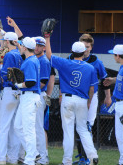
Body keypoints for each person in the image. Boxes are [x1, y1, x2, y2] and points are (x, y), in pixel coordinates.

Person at [44, 35, 99, 165]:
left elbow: (49, 55)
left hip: (68, 99)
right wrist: (89, 101)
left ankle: (67, 161)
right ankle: (93, 157)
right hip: (82, 100)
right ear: (83, 52)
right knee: (83, 130)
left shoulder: (65, 63)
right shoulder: (90, 67)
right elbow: (92, 88)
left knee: (68, 131)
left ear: (71, 51)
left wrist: (47, 38)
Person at [72, 34, 111, 164]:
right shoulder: (71, 58)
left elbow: (105, 81)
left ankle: (88, 157)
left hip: (91, 96)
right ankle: (82, 157)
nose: (85, 49)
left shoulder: (96, 61)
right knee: (78, 127)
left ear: (91, 47)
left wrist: (108, 97)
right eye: (83, 46)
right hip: (76, 96)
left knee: (87, 126)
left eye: (87, 47)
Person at [0, 32, 23, 165]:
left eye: (5, 41)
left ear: (8, 42)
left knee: (4, 126)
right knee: (15, 127)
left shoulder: (9, 55)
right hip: (20, 92)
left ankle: (1, 158)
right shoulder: (21, 54)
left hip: (9, 92)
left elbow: (4, 76)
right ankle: (13, 158)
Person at [14, 37, 41, 165]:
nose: (20, 47)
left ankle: (30, 160)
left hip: (30, 96)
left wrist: (18, 85)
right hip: (28, 97)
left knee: (28, 129)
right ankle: (34, 153)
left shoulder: (30, 62)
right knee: (17, 126)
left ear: (25, 47)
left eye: (21, 46)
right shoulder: (31, 59)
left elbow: (31, 82)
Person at [33, 37, 51, 165]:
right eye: (36, 45)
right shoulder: (35, 59)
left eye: (39, 45)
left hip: (39, 95)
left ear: (44, 47)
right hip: (35, 94)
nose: (37, 47)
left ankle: (43, 157)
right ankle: (37, 155)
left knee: (38, 127)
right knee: (33, 127)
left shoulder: (43, 61)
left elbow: (43, 82)